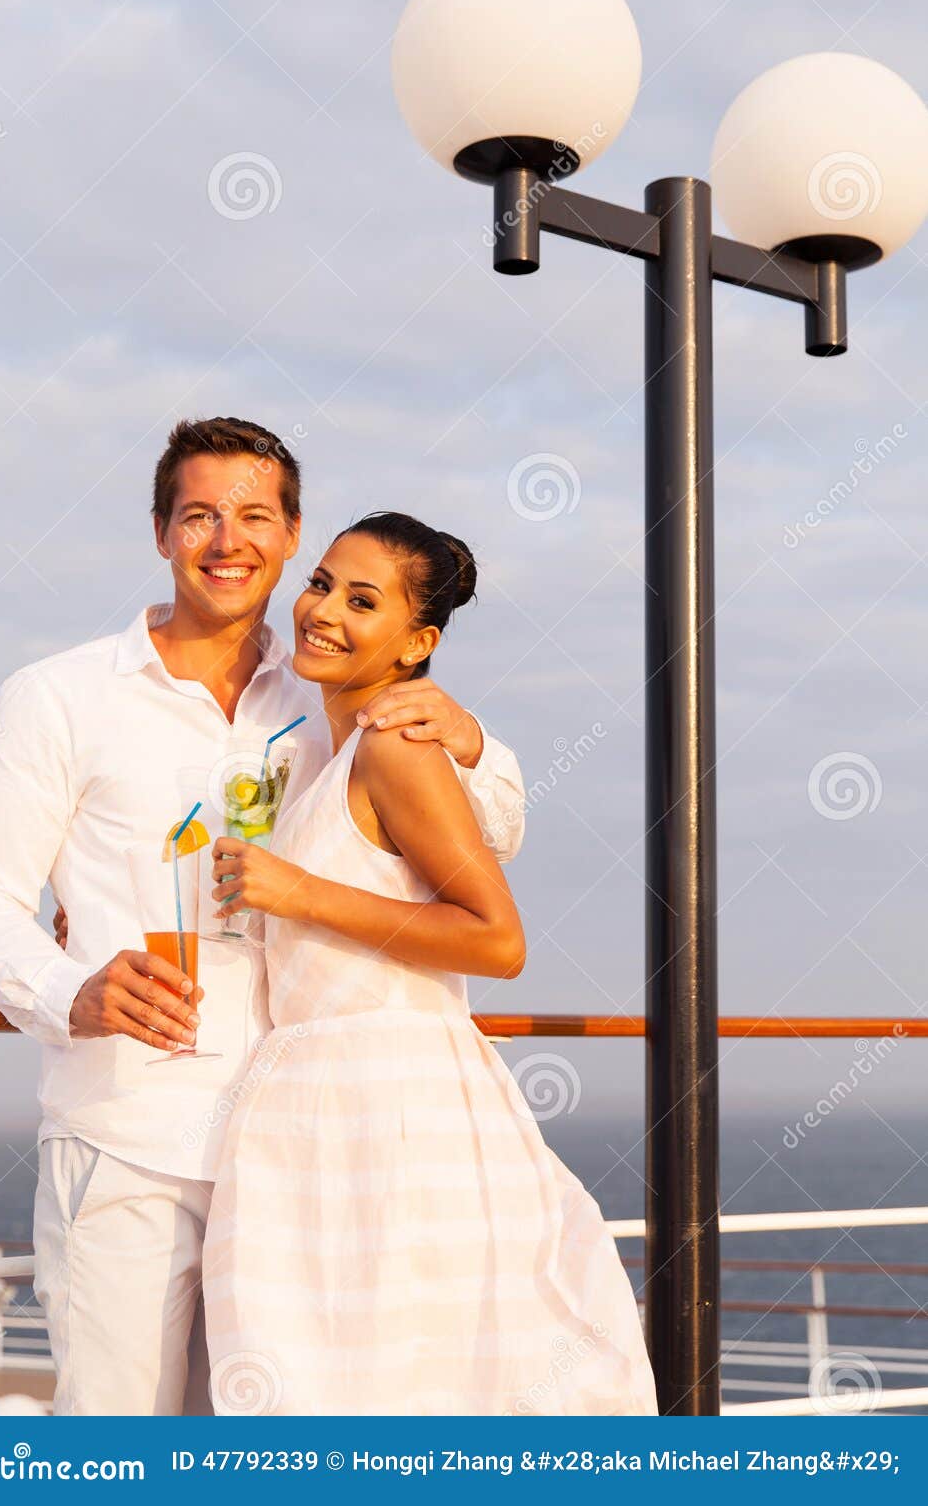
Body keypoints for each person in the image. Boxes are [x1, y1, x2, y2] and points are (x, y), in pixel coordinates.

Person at [0, 418, 526, 1418]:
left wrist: (469, 733)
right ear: (162, 530)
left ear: (293, 532)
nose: (227, 541)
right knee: (116, 1446)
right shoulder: (57, 696)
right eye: (200, 515)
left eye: (254, 515)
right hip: (128, 1134)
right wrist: (67, 991)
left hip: (293, 1152)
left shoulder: (331, 681)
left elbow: (489, 830)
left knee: (265, 1449)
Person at [202, 513, 658, 1416]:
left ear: (418, 643)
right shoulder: (317, 759)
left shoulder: (393, 748)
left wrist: (298, 893)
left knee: (411, 1383)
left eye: (361, 600)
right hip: (314, 1112)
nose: (322, 610)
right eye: (322, 582)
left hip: (397, 1106)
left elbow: (497, 939)